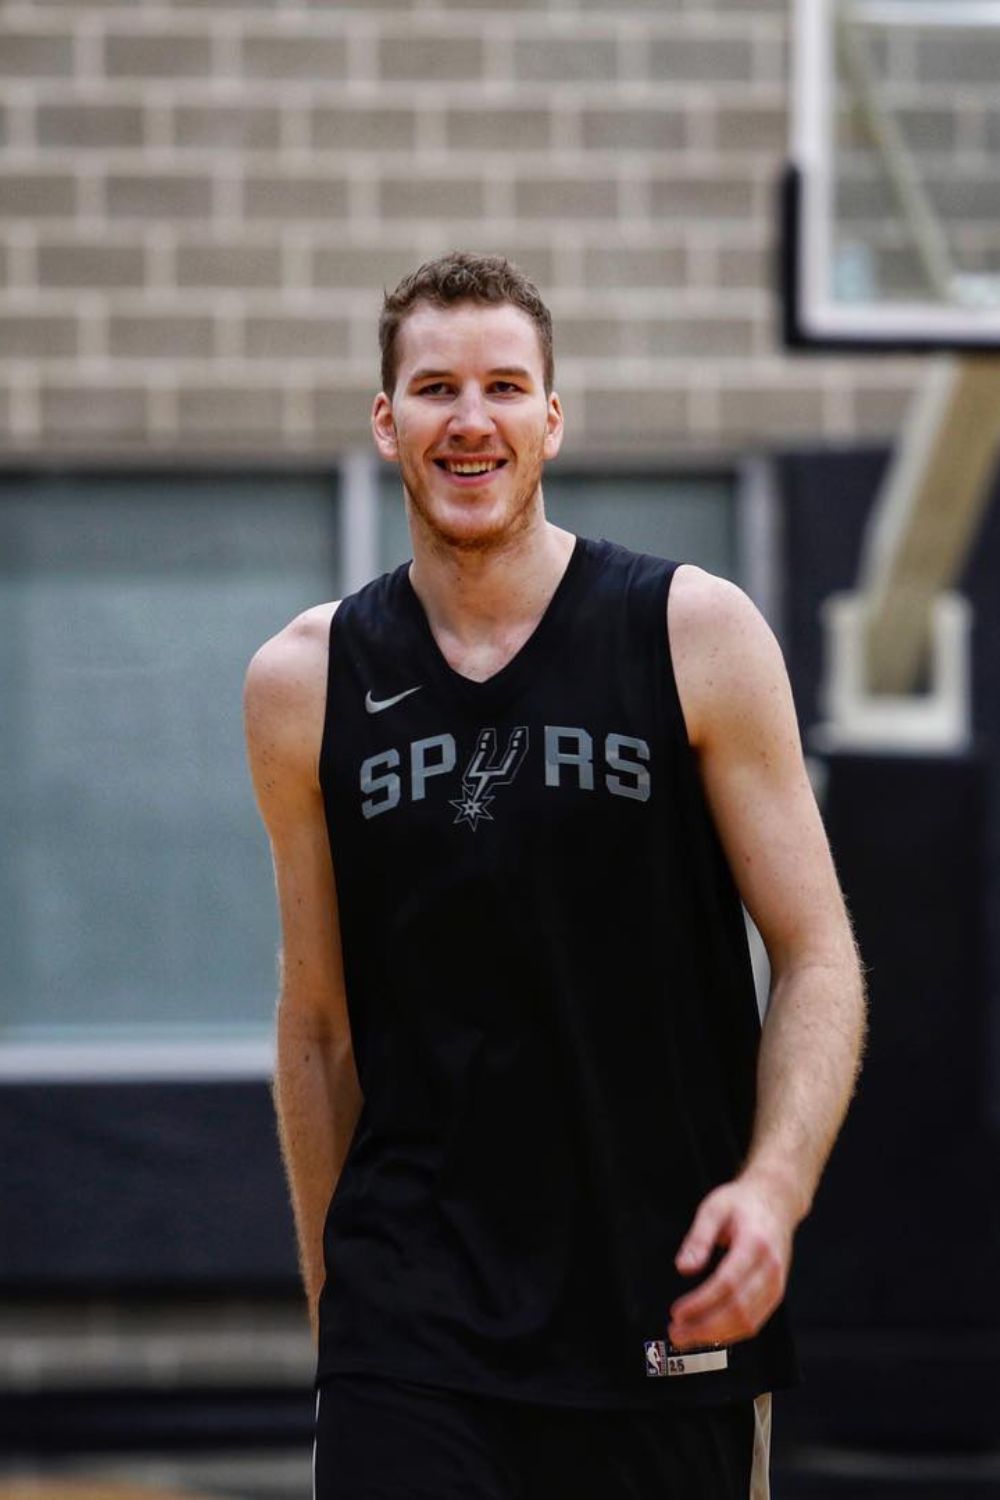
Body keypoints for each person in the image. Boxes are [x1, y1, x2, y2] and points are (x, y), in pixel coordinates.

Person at [243, 251, 867, 1499]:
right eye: (433, 389)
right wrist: (343, 1309)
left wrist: (772, 1188)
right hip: (411, 1325)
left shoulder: (693, 633)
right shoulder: (302, 682)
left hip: (660, 1295)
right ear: (387, 422)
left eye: (503, 387)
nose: (469, 420)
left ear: (550, 417)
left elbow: (816, 956)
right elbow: (316, 1026)